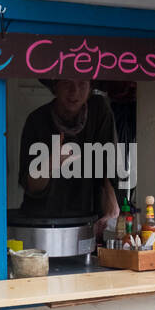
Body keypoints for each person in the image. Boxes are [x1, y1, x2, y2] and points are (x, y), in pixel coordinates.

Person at [19, 78, 121, 237]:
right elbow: (31, 186)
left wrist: (112, 205)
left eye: (82, 84)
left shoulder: (99, 111)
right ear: (55, 87)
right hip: (44, 223)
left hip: (87, 220)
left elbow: (107, 162)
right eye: (67, 83)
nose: (75, 92)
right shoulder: (36, 121)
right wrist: (51, 163)